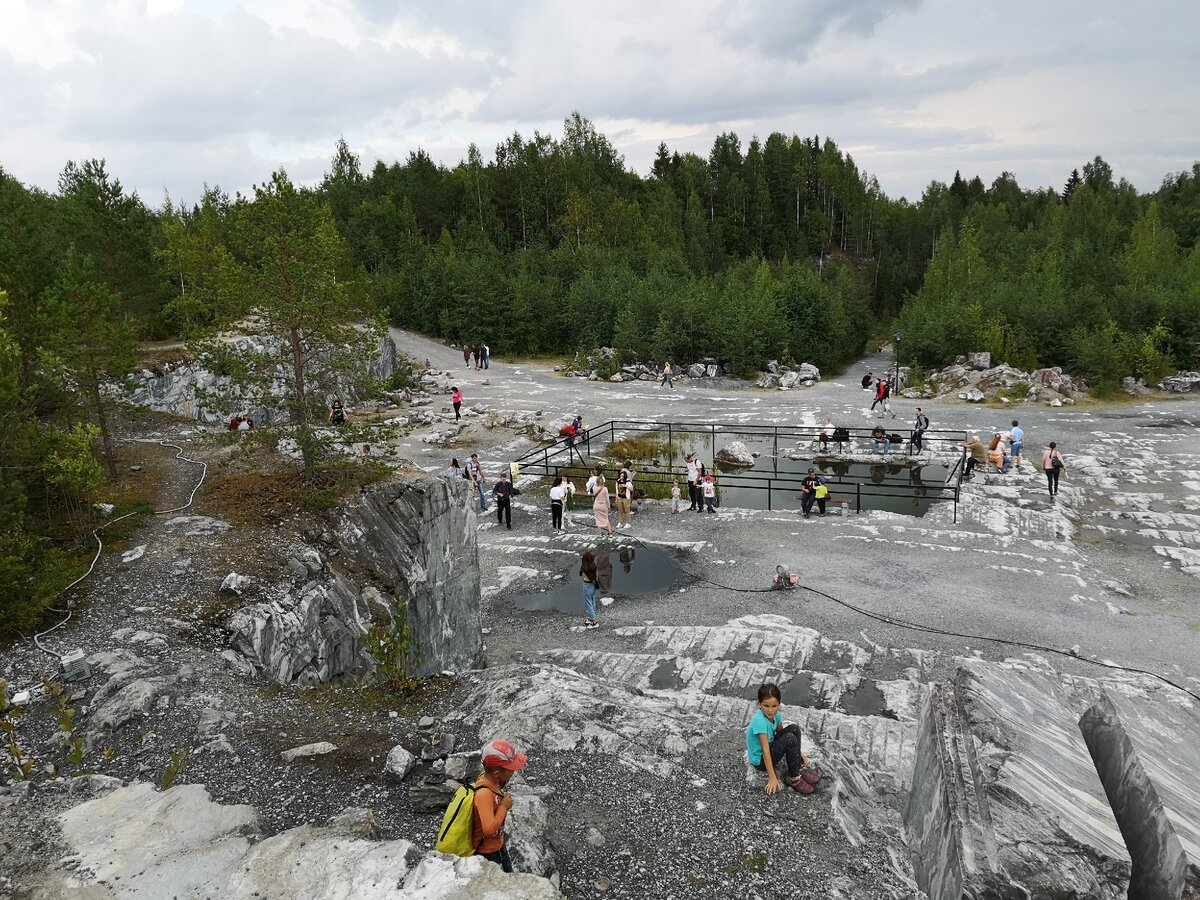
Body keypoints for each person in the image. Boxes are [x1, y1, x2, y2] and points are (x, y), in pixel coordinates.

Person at [746, 683, 820, 796]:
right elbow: (765, 752)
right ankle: (793, 778)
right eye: (766, 706)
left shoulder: (776, 715)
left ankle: (796, 765)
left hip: (770, 746)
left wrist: (798, 754)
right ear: (759, 704)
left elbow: (780, 734)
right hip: (760, 760)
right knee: (789, 739)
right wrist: (773, 778)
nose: (770, 710)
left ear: (779, 704)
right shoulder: (759, 721)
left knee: (794, 729)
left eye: (774, 706)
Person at [472, 739, 528, 872]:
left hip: (498, 846)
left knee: (509, 877)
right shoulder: (484, 793)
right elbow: (489, 830)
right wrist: (503, 806)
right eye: (511, 769)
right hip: (487, 853)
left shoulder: (494, 783)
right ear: (497, 773)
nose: (514, 772)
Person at [580, 552, 599, 628]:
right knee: (592, 600)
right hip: (592, 586)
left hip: (587, 585)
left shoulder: (586, 568)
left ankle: (594, 620)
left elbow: (581, 573)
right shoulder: (593, 566)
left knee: (588, 602)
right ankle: (592, 617)